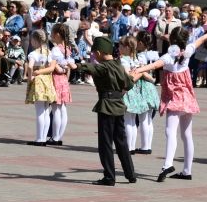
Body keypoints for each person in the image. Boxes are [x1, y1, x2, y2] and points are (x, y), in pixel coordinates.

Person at [129, 23, 207, 181]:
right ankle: (187, 170)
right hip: (187, 96)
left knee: (170, 131)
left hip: (174, 97)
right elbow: (202, 38)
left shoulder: (168, 57)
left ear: (172, 39)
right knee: (187, 134)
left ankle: (167, 164)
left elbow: (154, 65)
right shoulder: (187, 50)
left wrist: (138, 70)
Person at [76, 37, 136, 186]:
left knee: (105, 144)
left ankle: (109, 176)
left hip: (106, 106)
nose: (94, 56)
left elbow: (89, 68)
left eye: (95, 54)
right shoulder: (118, 65)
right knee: (121, 142)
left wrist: (74, 65)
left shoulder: (104, 66)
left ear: (99, 52)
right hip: (118, 105)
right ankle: (130, 174)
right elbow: (129, 84)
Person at [121, 31, 159, 155]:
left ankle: (131, 147)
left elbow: (133, 75)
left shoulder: (132, 58)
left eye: (121, 45)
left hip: (137, 88)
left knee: (132, 119)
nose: (119, 47)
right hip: (146, 88)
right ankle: (145, 146)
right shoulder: (147, 56)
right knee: (146, 119)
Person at [24, 29, 58, 146]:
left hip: (38, 81)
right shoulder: (49, 52)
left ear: (35, 40)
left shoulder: (33, 54)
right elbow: (51, 68)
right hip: (47, 81)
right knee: (45, 110)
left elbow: (30, 66)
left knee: (39, 111)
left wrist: (30, 77)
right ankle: (43, 137)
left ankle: (39, 138)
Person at [48, 23, 76, 146]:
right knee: (62, 109)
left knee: (56, 110)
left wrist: (59, 68)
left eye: (52, 33)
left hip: (56, 79)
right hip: (64, 80)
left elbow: (54, 67)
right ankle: (58, 136)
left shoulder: (55, 49)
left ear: (57, 35)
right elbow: (70, 66)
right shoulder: (67, 48)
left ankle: (55, 137)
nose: (51, 35)